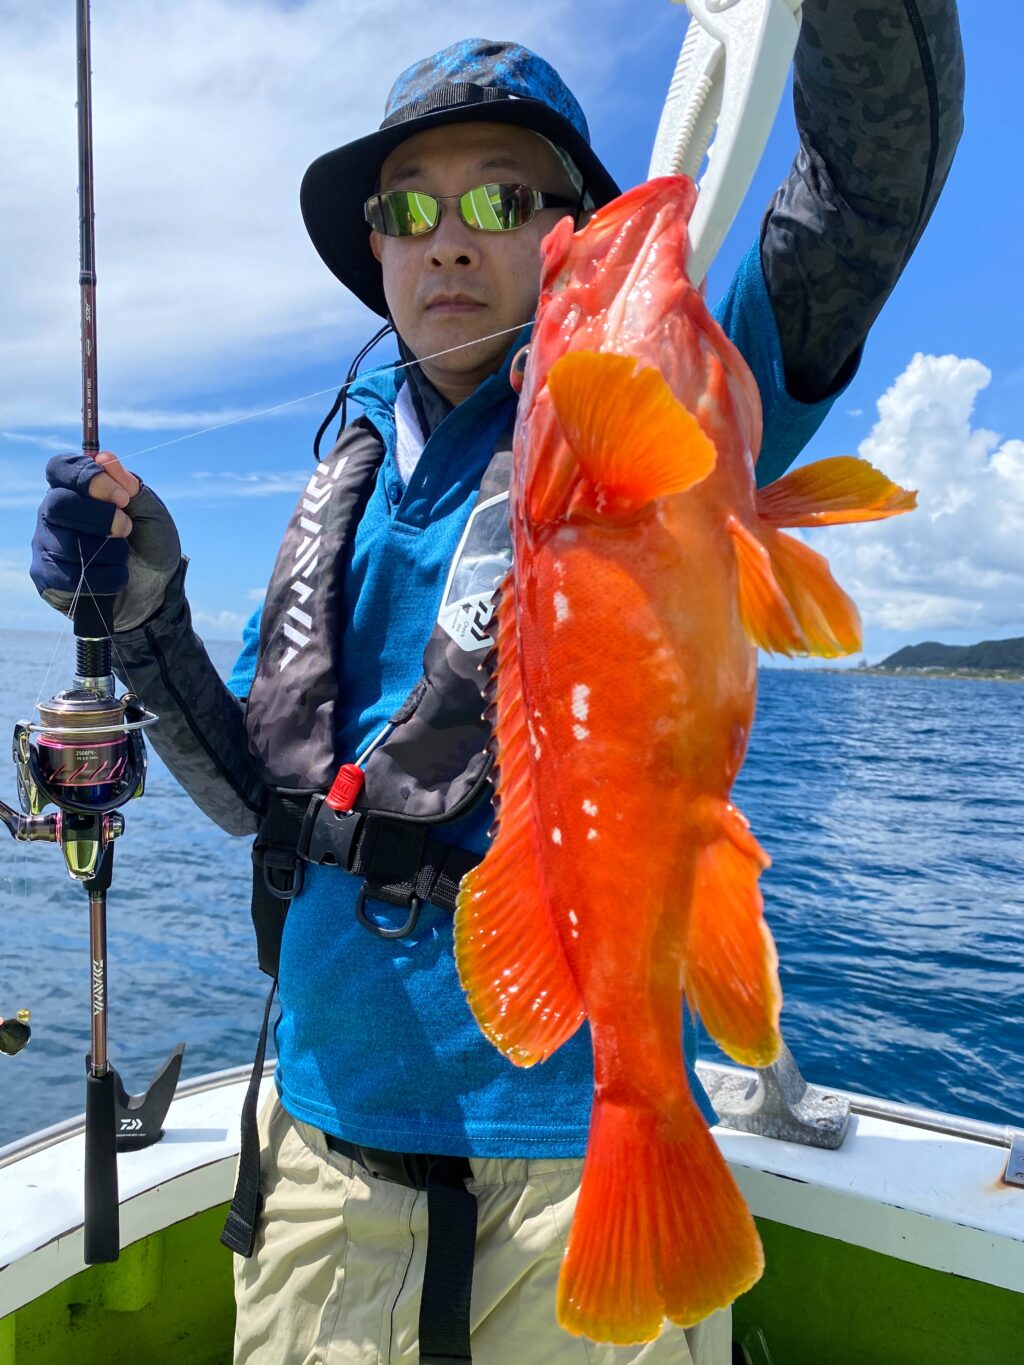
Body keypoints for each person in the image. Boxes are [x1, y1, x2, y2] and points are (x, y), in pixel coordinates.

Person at [31, 7, 964, 1363]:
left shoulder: (668, 388)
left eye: (501, 199)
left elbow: (867, 189)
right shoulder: (343, 487)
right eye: (411, 208)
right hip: (319, 1171)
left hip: (575, 1161)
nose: (450, 238)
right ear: (377, 251)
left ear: (566, 232)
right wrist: (143, 612)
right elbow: (256, 796)